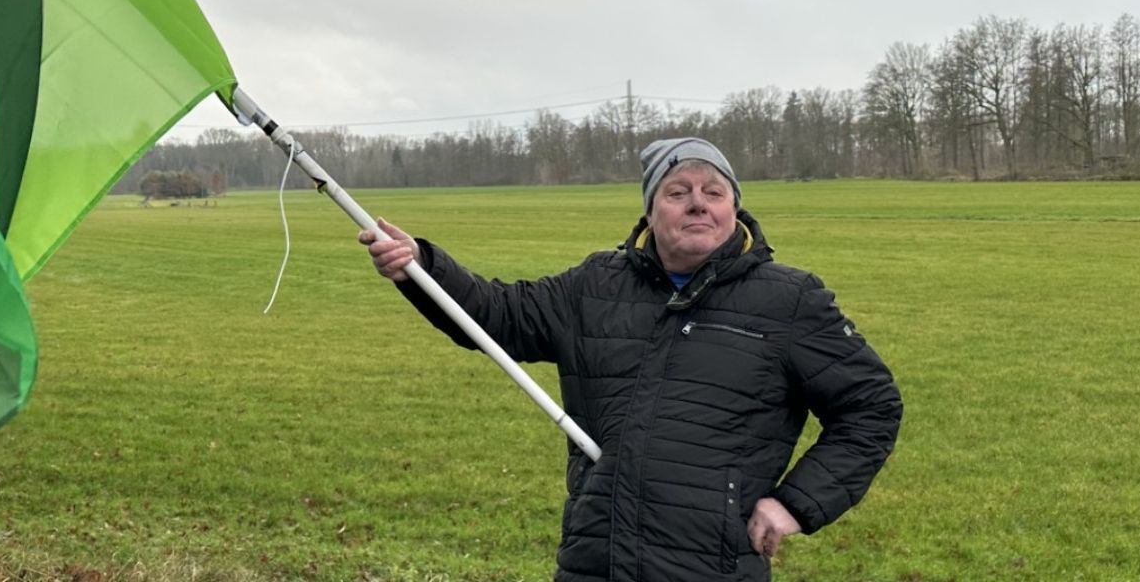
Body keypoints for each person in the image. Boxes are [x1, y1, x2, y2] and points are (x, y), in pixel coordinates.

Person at [360, 137, 902, 582]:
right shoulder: (595, 285)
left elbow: (871, 406)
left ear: (733, 208)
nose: (698, 203)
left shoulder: (789, 299)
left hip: (711, 567)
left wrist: (797, 503)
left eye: (714, 191)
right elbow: (495, 315)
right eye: (677, 191)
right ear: (649, 209)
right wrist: (420, 266)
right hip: (598, 560)